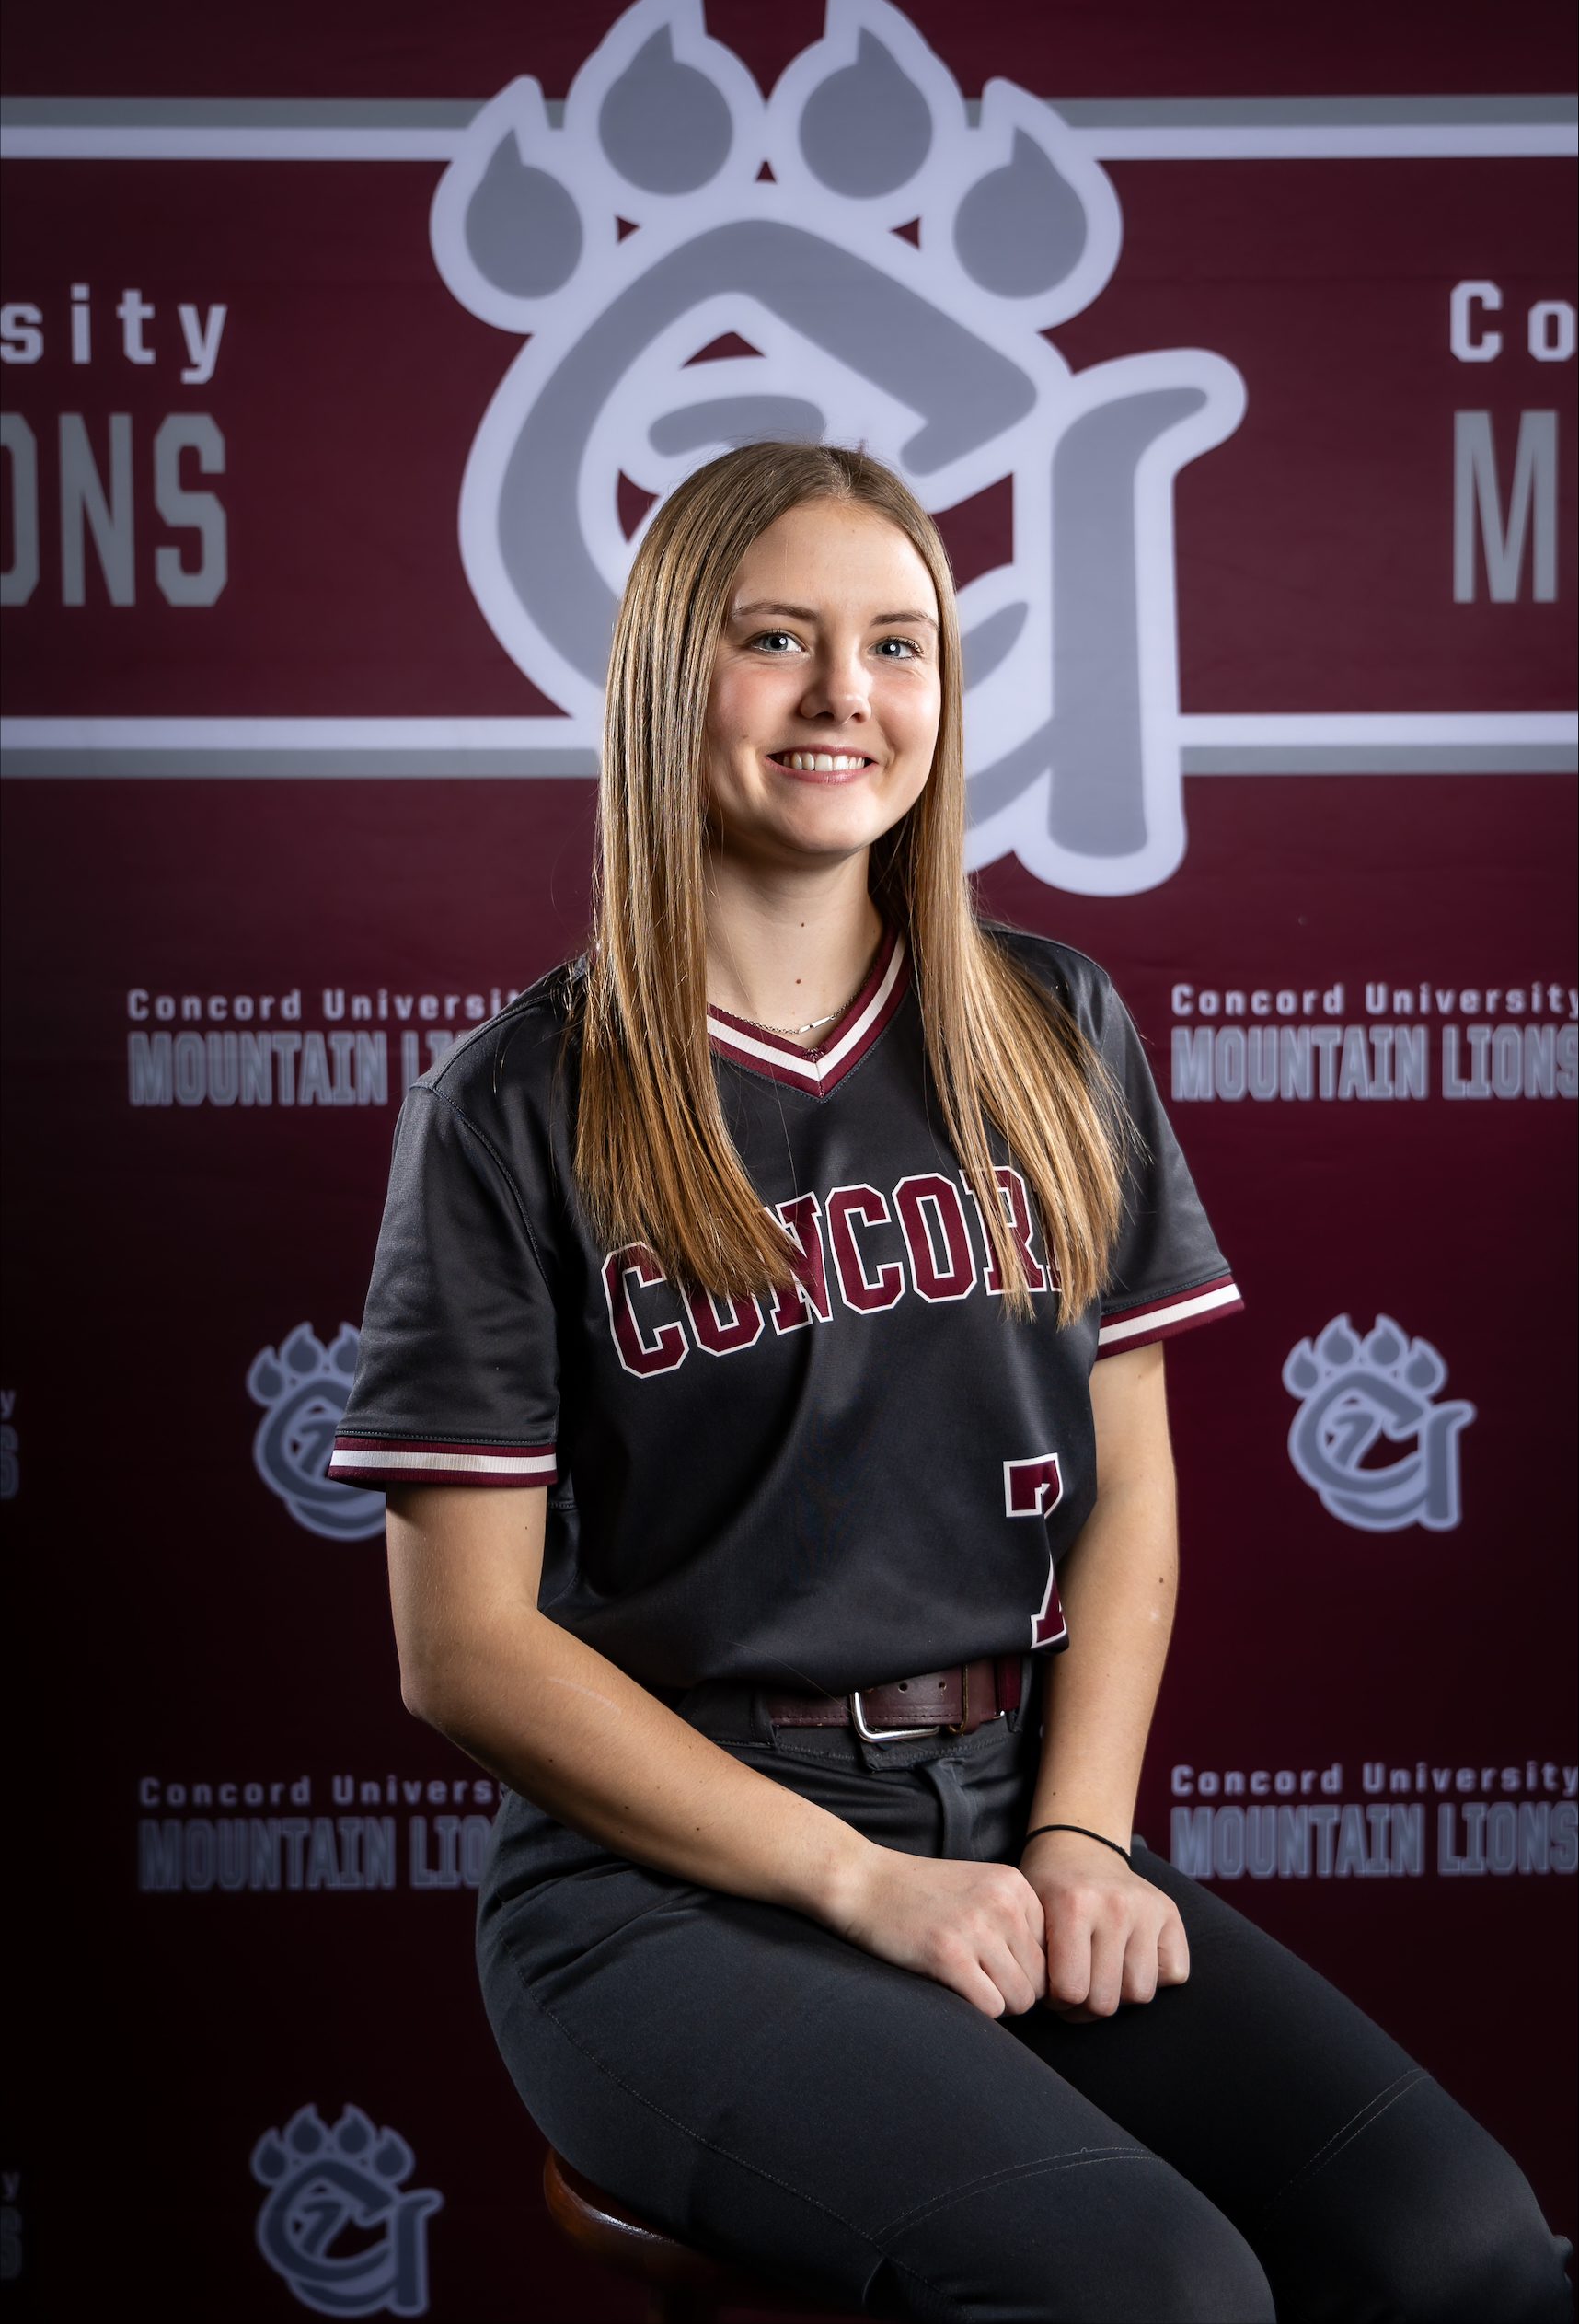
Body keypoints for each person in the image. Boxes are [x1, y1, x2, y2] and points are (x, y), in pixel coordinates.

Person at [329, 442, 1572, 2323]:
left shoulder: (1053, 1030)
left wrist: (1075, 1831)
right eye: (779, 640)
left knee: (1467, 2257)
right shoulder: (519, 1105)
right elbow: (466, 1652)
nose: (849, 696)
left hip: (1005, 1812)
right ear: (675, 679)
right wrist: (853, 1885)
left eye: (898, 645)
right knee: (1153, 2290)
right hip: (667, 1892)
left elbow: (1129, 1494)